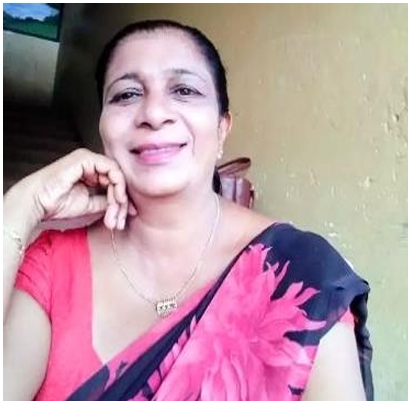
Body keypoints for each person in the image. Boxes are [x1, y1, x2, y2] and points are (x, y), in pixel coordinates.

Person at [3, 19, 373, 401]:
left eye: (184, 90)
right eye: (126, 94)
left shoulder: (299, 274)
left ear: (222, 129)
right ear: (103, 129)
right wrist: (18, 207)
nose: (153, 113)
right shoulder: (52, 264)